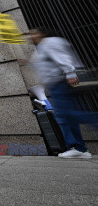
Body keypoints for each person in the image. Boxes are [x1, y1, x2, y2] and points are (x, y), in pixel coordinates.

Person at [29, 27, 98, 159]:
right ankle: (79, 149)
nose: (30, 37)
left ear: (42, 33)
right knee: (67, 116)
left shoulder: (48, 43)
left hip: (62, 83)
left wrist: (70, 74)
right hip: (59, 84)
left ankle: (78, 146)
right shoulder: (44, 46)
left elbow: (63, 58)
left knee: (64, 115)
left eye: (32, 33)